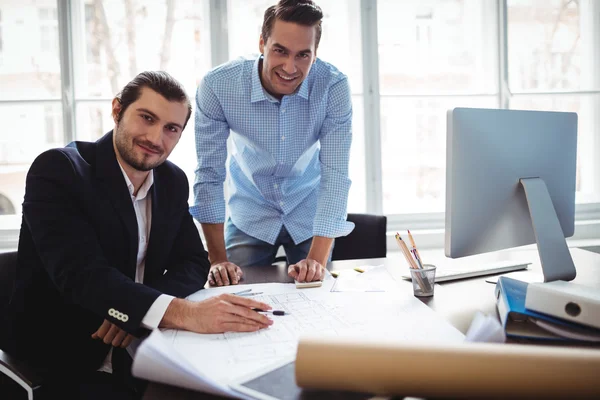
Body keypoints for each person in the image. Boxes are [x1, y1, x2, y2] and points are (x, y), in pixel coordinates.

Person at [5, 71, 273, 400]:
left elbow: (192, 261)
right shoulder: (59, 171)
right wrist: (178, 312)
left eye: (171, 129)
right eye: (146, 118)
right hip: (68, 358)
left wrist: (137, 311)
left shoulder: (172, 180)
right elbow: (82, 277)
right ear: (117, 110)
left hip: (145, 350)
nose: (156, 138)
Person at [192, 0, 354, 287]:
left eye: (303, 55)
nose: (290, 67)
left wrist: (316, 261)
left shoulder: (333, 86)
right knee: (234, 297)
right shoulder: (218, 86)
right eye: (280, 51)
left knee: (317, 296)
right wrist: (217, 260)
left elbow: (336, 176)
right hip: (249, 210)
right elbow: (209, 175)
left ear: (315, 55)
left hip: (308, 211)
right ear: (262, 43)